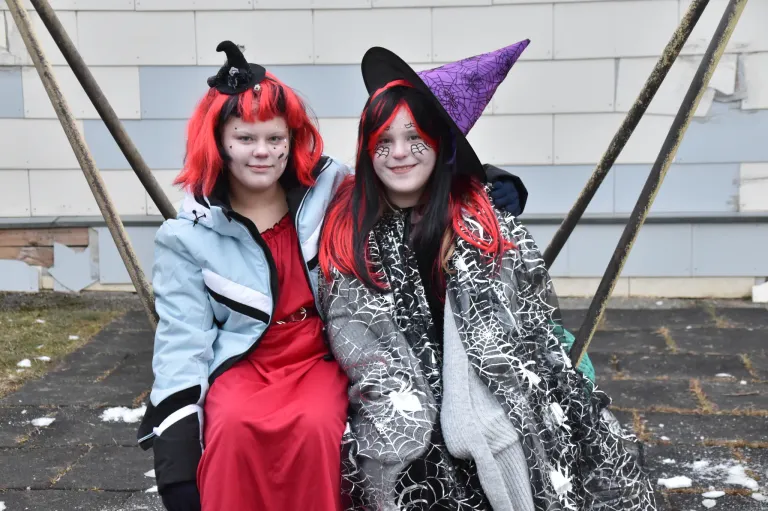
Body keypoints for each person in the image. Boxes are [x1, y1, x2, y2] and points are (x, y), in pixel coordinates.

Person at [136, 41, 529, 511]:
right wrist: (175, 464)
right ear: (218, 141)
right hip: (245, 360)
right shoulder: (187, 236)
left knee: (317, 427)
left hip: (322, 352)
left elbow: (401, 176)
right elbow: (182, 342)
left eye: (275, 138)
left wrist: (484, 180)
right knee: (231, 428)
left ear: (292, 137)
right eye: (245, 138)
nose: (262, 152)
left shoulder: (327, 187)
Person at [319, 41, 655, 510]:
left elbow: (524, 320)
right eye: (383, 142)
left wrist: (479, 396)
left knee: (530, 428)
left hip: (482, 369)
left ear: (440, 144)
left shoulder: (482, 224)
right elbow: (357, 332)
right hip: (399, 374)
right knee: (408, 449)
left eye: (415, 138)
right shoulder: (349, 230)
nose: (399, 154)